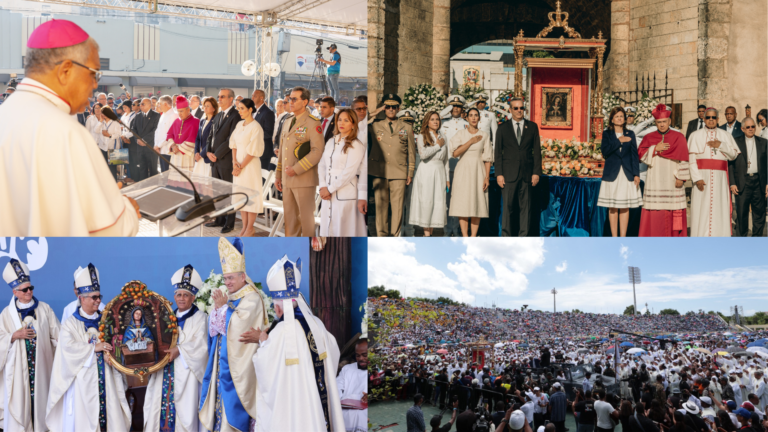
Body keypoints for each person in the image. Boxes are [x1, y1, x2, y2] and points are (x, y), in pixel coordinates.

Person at [0, 19, 140, 236]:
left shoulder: (5, 115)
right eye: (94, 74)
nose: (95, 85)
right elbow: (110, 231)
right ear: (65, 70)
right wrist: (129, 209)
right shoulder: (65, 132)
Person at [252, 255, 344, 431]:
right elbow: (333, 351)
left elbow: (266, 369)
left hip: (294, 406)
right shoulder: (316, 323)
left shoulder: (279, 332)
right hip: (318, 396)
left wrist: (263, 342)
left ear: (278, 307)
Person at [45, 263, 131, 432]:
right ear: (82, 298)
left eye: (99, 296)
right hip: (83, 385)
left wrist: (112, 353)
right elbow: (67, 349)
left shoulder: (107, 320)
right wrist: (94, 348)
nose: (98, 300)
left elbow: (117, 343)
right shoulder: (71, 324)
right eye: (94, 297)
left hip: (108, 379)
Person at [199, 238, 268, 432]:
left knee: (235, 411)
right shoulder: (231, 297)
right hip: (223, 365)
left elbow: (238, 327)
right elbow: (215, 329)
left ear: (243, 276)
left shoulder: (252, 297)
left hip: (239, 368)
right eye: (225, 278)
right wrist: (219, 310)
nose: (227, 282)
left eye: (231, 278)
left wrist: (221, 309)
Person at [143, 265, 209, 432]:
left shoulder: (201, 318)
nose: (181, 298)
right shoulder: (166, 318)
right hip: (164, 372)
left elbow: (201, 346)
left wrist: (179, 350)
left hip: (186, 376)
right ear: (174, 296)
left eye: (185, 295)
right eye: (178, 294)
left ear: (193, 298)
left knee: (184, 418)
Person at [0, 259, 60, 432]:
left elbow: (58, 335)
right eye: (24, 289)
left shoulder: (45, 309)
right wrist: (13, 336)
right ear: (15, 292)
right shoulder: (6, 314)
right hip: (18, 371)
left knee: (42, 404)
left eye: (31, 288)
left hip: (42, 368)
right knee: (21, 405)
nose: (29, 292)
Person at [275, 86, 325, 237]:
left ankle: (309, 250)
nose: (290, 101)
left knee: (305, 219)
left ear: (304, 102)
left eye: (294, 99)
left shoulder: (313, 122)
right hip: (287, 178)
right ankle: (293, 247)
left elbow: (317, 151)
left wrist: (296, 169)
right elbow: (283, 150)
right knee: (290, 220)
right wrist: (278, 175)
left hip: (303, 178)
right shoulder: (287, 120)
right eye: (289, 98)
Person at [637, 104, 691, 236]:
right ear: (655, 122)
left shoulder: (679, 137)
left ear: (669, 121)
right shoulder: (649, 138)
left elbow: (684, 159)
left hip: (672, 180)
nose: (661, 125)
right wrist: (655, 149)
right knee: (656, 213)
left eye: (664, 122)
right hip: (655, 181)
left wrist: (681, 177)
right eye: (659, 122)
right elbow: (640, 155)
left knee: (673, 209)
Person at [369, 93, 416, 236]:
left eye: (393, 107)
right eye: (388, 107)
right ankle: (381, 235)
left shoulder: (406, 127)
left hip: (399, 172)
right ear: (384, 108)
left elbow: (411, 152)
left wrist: (410, 172)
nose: (390, 109)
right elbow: (359, 121)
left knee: (397, 208)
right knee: (381, 207)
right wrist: (376, 111)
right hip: (380, 172)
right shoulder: (375, 125)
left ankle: (396, 236)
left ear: (398, 108)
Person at [688, 107, 740, 236]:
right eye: (708, 117)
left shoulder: (726, 135)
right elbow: (691, 160)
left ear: (718, 119)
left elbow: (734, 155)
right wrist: (697, 178)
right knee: (701, 208)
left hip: (720, 179)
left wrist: (721, 145)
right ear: (704, 119)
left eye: (713, 117)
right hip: (702, 177)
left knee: (719, 208)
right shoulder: (695, 135)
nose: (711, 120)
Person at [494, 97, 541, 236]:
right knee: (508, 209)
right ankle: (506, 237)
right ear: (510, 110)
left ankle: (524, 238)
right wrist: (499, 174)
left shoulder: (532, 127)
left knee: (525, 209)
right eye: (516, 108)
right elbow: (498, 153)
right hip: (508, 175)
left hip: (527, 175)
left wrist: (536, 172)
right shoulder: (502, 128)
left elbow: (537, 151)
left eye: (521, 108)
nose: (519, 110)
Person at [318, 108, 367, 236]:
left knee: (343, 229)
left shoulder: (356, 145)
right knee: (327, 227)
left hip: (345, 193)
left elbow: (349, 172)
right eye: (339, 120)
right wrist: (323, 186)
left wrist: (330, 189)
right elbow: (322, 164)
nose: (342, 123)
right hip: (326, 192)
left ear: (353, 124)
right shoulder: (330, 141)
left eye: (346, 120)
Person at [598, 106, 643, 237]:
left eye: (621, 116)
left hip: (627, 174)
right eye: (616, 116)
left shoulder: (631, 134)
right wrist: (619, 141)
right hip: (612, 174)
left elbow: (634, 155)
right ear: (612, 119)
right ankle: (614, 236)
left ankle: (623, 237)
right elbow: (605, 151)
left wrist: (636, 174)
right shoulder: (607, 134)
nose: (619, 118)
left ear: (625, 119)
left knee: (625, 206)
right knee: (613, 207)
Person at [449, 107, 493, 237]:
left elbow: (488, 158)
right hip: (463, 169)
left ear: (479, 118)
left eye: (476, 115)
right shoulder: (461, 134)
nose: (473, 118)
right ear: (466, 118)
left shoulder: (484, 135)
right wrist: (471, 141)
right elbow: (455, 153)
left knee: (476, 202)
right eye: (471, 115)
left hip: (478, 170)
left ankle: (473, 236)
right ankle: (464, 236)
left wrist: (486, 177)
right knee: (462, 202)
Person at [205, 88, 241, 234]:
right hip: (214, 159)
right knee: (217, 192)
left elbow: (231, 139)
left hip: (225, 160)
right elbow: (210, 136)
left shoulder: (236, 116)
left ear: (231, 99)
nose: (219, 99)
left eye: (222, 97)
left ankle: (229, 222)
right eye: (218, 97)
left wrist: (217, 154)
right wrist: (208, 151)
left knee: (228, 192)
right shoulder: (219, 115)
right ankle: (219, 219)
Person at [408, 111, 450, 236]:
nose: (436, 121)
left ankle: (430, 233)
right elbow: (423, 155)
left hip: (439, 171)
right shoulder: (422, 136)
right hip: (426, 171)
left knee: (437, 201)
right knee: (427, 200)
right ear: (427, 122)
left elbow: (446, 160)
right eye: (432, 119)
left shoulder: (443, 137)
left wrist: (447, 178)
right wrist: (437, 146)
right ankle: (427, 234)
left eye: (437, 119)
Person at [230, 98, 265, 237]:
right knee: (241, 196)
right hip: (238, 165)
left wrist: (240, 166)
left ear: (250, 109)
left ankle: (250, 227)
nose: (239, 111)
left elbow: (253, 151)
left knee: (251, 195)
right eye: (238, 108)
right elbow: (233, 144)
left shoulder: (256, 127)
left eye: (242, 108)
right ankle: (244, 227)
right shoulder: (239, 124)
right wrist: (234, 162)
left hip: (249, 167)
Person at [729, 117, 767, 236]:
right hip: (742, 182)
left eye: (753, 126)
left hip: (759, 182)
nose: (751, 129)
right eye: (748, 127)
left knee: (759, 215)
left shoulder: (764, 142)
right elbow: (730, 163)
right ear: (742, 129)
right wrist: (732, 183)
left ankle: (757, 242)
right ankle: (742, 241)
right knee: (741, 214)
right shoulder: (735, 141)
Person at [440, 95, 470, 237]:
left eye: (458, 106)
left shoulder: (467, 124)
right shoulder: (443, 123)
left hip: (461, 166)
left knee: (459, 200)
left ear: (462, 108)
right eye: (453, 106)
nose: (455, 108)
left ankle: (456, 229)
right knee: (446, 201)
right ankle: (447, 230)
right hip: (446, 166)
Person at [159, 95, 200, 171]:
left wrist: (179, 148)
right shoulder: (176, 121)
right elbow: (169, 135)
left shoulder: (195, 121)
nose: (179, 114)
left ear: (188, 110)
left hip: (187, 155)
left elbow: (193, 139)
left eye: (181, 111)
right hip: (175, 154)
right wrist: (173, 146)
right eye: (178, 111)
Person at [337, 339, 369, 432]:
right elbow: (337, 389)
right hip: (345, 412)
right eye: (357, 356)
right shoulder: (347, 369)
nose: (361, 359)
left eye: (364, 355)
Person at [132, 97, 161, 181]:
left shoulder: (156, 115)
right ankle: (143, 188)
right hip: (140, 147)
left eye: (142, 104)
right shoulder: (138, 115)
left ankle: (153, 188)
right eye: (140, 104)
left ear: (149, 105)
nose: (140, 105)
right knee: (142, 169)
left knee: (153, 169)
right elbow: (134, 129)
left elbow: (155, 130)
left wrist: (144, 140)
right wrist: (137, 139)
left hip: (150, 146)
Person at [251, 89, 275, 176]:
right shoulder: (254, 111)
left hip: (263, 152)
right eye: (252, 95)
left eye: (255, 96)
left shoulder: (268, 112)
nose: (252, 98)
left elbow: (268, 133)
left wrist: (252, 137)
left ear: (261, 98)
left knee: (261, 178)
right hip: (254, 150)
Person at [154, 95, 179, 172]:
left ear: (165, 104)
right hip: (160, 149)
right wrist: (156, 145)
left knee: (169, 173)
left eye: (160, 104)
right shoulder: (163, 115)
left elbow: (170, 134)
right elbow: (157, 131)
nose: (158, 106)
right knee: (163, 172)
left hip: (168, 150)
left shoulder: (174, 115)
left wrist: (158, 145)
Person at [193, 96, 217, 177]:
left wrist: (201, 154)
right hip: (199, 156)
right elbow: (198, 138)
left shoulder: (215, 122)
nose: (205, 108)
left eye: (208, 106)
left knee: (207, 184)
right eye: (204, 105)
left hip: (206, 157)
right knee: (198, 183)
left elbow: (213, 140)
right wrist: (196, 152)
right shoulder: (202, 121)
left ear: (214, 108)